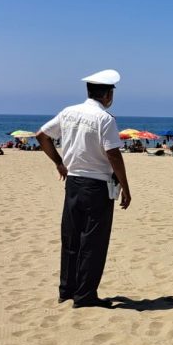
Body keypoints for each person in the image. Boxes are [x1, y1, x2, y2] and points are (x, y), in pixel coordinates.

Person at [36, 69, 131, 309]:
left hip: (73, 182)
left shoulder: (69, 112)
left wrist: (59, 162)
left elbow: (42, 135)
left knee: (71, 237)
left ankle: (66, 290)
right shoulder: (105, 119)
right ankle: (85, 294)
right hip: (97, 185)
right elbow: (113, 154)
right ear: (108, 95)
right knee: (94, 241)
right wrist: (126, 186)